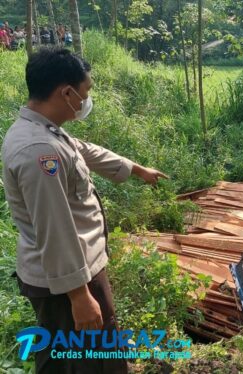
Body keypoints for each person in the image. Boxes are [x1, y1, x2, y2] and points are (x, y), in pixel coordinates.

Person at [2, 47, 168, 373]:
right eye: (86, 90)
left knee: (67, 356)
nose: (86, 99)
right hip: (66, 281)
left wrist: (134, 168)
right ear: (66, 92)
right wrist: (79, 297)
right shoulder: (39, 152)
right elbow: (55, 229)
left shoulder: (44, 130)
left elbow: (82, 150)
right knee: (91, 360)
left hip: (76, 271)